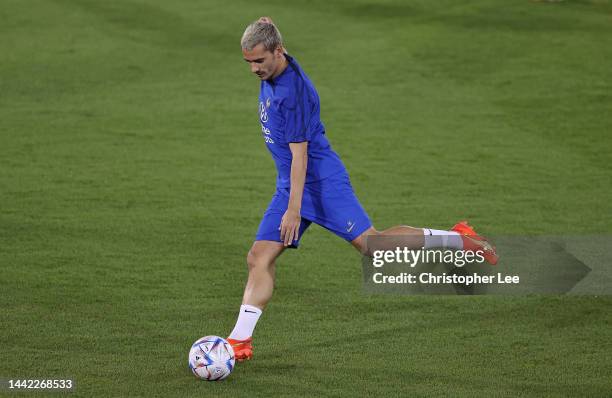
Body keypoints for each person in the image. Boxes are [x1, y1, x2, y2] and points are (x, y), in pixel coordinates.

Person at [227, 17, 498, 361]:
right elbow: (270, 37)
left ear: (278, 52)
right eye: (248, 62)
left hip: (319, 181)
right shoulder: (276, 62)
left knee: (374, 246)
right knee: (258, 257)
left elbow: (301, 156)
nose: (253, 69)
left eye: (259, 61)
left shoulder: (292, 93)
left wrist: (293, 209)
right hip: (290, 184)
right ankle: (240, 341)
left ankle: (460, 238)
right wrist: (267, 22)